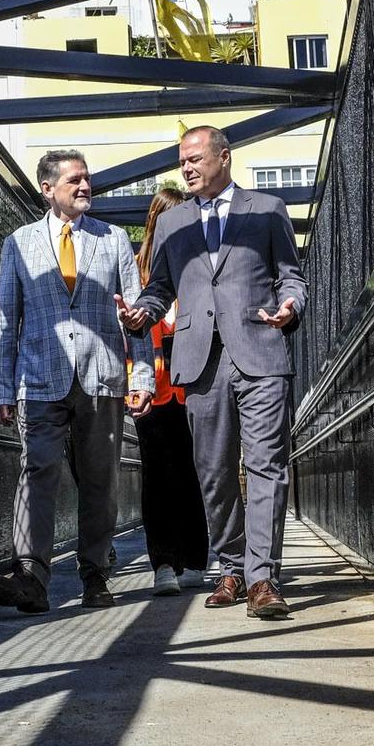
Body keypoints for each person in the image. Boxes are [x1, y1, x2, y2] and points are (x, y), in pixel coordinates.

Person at [120, 127, 306, 620]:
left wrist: (291, 305)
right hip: (199, 359)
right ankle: (230, 566)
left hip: (260, 350)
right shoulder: (173, 221)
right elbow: (159, 287)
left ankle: (263, 577)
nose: (187, 168)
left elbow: (291, 275)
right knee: (215, 469)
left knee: (266, 463)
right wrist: (142, 312)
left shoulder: (266, 210)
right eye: (182, 161)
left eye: (196, 158)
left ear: (224, 158)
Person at [0, 150, 153, 614]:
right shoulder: (17, 243)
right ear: (47, 188)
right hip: (38, 379)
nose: (85, 188)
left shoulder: (114, 239)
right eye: (75, 181)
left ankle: (95, 576)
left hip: (101, 379)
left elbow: (134, 316)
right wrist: (2, 387)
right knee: (36, 471)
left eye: (88, 180)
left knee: (100, 480)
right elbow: (5, 320)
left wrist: (141, 375)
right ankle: (31, 578)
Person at [130, 186, 210, 595]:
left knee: (196, 472)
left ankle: (196, 558)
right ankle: (163, 562)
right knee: (158, 475)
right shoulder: (139, 272)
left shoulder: (201, 266)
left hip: (195, 386)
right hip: (155, 389)